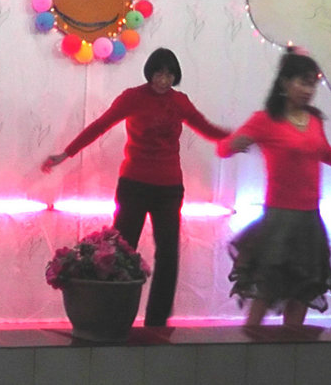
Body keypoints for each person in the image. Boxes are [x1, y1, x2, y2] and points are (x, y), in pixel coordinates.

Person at [40, 47, 228, 327]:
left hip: (169, 188)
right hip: (134, 185)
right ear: (149, 73)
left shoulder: (180, 102)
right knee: (119, 252)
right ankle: (112, 316)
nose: (163, 80)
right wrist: (65, 154)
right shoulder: (133, 98)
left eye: (169, 75)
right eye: (159, 74)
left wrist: (238, 138)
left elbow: (206, 128)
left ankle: (157, 322)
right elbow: (99, 126)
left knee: (168, 254)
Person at [217, 50, 331, 326]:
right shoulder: (265, 120)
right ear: (285, 82)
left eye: (312, 84)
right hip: (279, 221)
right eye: (303, 82)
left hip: (310, 222)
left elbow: (326, 153)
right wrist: (235, 144)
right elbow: (223, 149)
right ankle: (250, 349)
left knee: (302, 294)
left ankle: (292, 350)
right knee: (265, 293)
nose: (309, 90)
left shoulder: (314, 120)